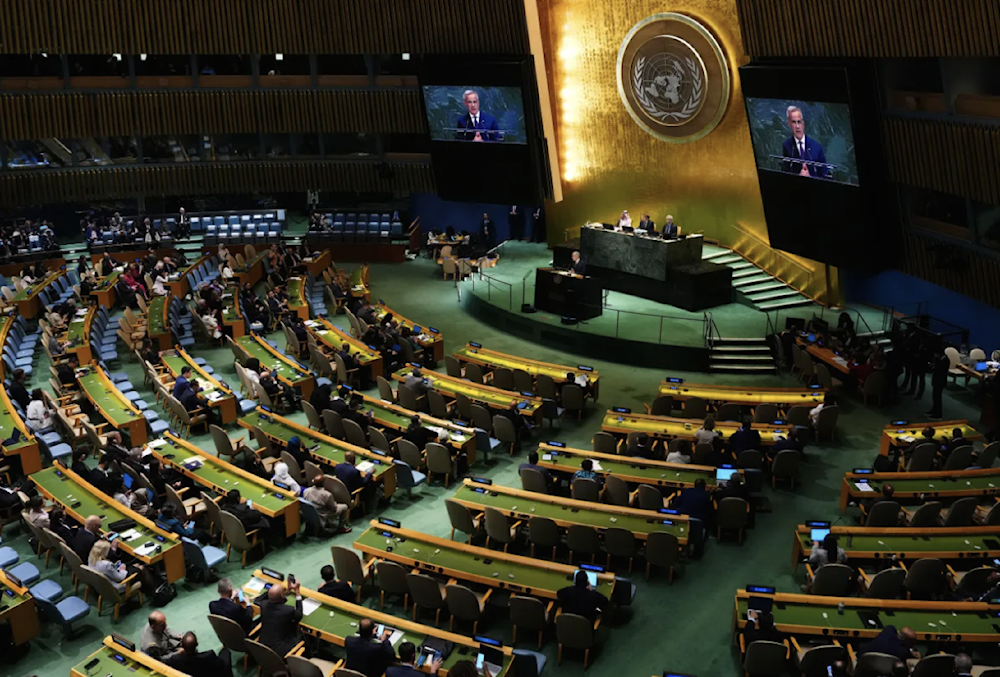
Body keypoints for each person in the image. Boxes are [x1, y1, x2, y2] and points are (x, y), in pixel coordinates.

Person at [782, 105, 829, 178]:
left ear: (803, 124)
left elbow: (825, 176)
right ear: (789, 124)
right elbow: (786, 173)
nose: (797, 126)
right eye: (794, 122)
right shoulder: (787, 146)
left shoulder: (816, 147)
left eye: (799, 122)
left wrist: (810, 177)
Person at [259, 581, 303, 658]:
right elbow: (299, 614)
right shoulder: (288, 610)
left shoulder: (263, 605)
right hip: (279, 651)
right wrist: (297, 592)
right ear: (282, 596)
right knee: (302, 636)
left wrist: (287, 591)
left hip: (262, 646)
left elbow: (275, 598)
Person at [165, 632, 233, 677]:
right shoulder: (209, 655)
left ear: (182, 645)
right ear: (197, 644)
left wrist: (179, 653)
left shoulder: (175, 659)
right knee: (225, 652)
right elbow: (220, 665)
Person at [928, 347, 950, 420]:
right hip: (937, 381)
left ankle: (938, 414)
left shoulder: (945, 360)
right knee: (935, 397)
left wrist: (934, 367)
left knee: (937, 398)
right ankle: (933, 410)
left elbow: (940, 371)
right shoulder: (940, 359)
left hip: (940, 382)